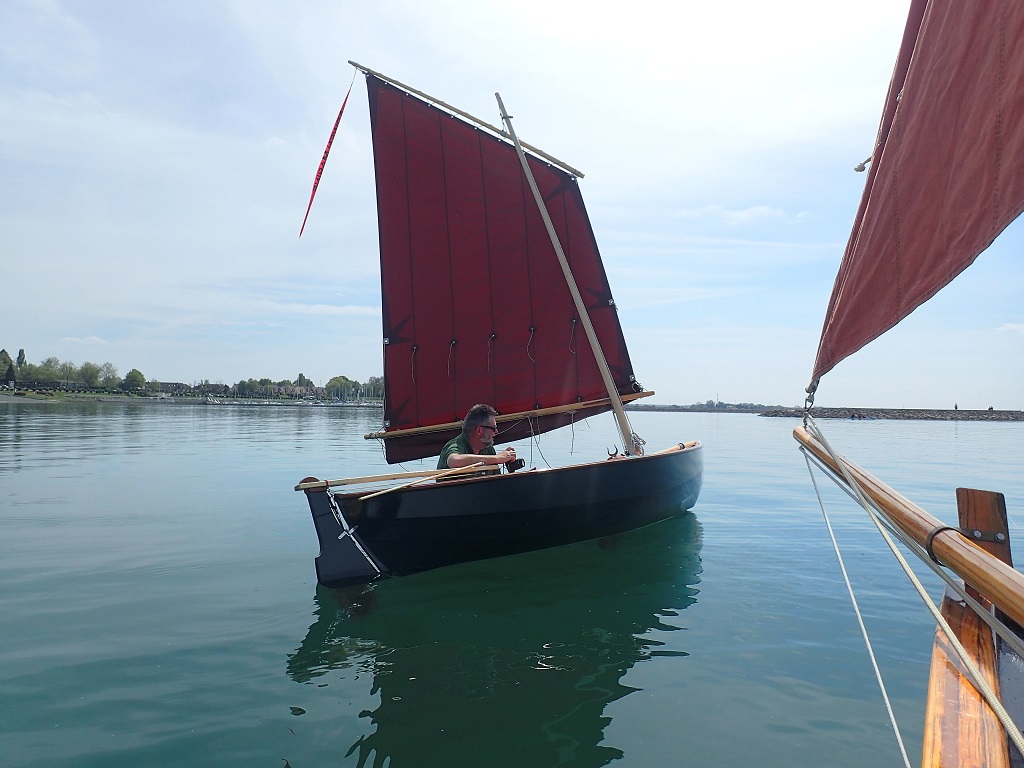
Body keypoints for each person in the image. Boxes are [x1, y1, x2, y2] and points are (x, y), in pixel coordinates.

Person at [437, 403, 517, 470]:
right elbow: (453, 461)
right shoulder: (455, 445)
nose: (496, 432)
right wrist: (497, 458)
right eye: (494, 428)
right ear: (479, 430)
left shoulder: (488, 449)